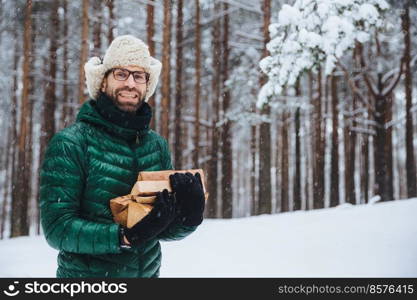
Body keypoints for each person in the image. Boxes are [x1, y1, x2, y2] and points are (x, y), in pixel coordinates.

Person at [39, 35, 205, 278]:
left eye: (139, 76)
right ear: (103, 82)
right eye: (121, 74)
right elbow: (57, 228)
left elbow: (157, 228)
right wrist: (125, 236)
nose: (130, 83)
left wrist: (188, 217)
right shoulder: (72, 143)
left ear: (147, 85)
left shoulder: (156, 146)